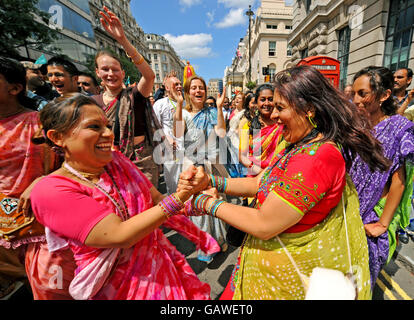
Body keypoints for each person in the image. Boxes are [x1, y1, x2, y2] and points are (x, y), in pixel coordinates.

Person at [178, 65, 391, 300]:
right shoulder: (296, 143)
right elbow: (259, 183)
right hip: (268, 273)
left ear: (309, 109)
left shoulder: (318, 157)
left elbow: (264, 223)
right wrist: (210, 181)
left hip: (289, 284)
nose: (274, 115)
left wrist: (205, 203)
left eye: (280, 107)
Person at [29, 93, 220, 300]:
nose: (108, 134)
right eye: (94, 127)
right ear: (58, 137)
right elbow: (120, 235)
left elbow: (156, 202)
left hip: (159, 269)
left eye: (107, 126)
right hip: (118, 287)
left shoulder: (118, 162)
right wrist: (183, 195)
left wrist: (199, 201)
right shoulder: (51, 190)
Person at [0, 57, 74, 300]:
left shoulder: (40, 124)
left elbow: (76, 164)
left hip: (41, 226)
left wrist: (43, 181)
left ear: (15, 88)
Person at [350, 66, 414, 288]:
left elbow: (399, 180)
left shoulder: (399, 128)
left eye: (363, 94)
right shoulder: (356, 126)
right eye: (354, 94)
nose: (356, 100)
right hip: (348, 212)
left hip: (371, 216)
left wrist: (383, 223)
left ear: (384, 95)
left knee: (359, 281)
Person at [92, 7, 160, 187]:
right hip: (106, 164)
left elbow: (149, 76)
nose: (110, 74)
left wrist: (123, 40)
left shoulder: (134, 95)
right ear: (97, 72)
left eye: (115, 70)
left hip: (140, 164)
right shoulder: (92, 103)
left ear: (123, 73)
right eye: (105, 69)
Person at [174, 75, 229, 262]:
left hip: (212, 165)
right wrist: (179, 105)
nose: (198, 91)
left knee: (215, 202)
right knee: (199, 206)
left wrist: (220, 107)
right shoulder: (184, 113)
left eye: (201, 88)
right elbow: (177, 133)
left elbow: (221, 132)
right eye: (194, 88)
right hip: (193, 166)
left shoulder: (212, 112)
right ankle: (205, 246)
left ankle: (220, 239)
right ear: (188, 92)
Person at [239, 84, 284, 178]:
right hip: (254, 176)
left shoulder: (282, 124)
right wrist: (259, 171)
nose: (266, 103)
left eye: (270, 99)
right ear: (256, 102)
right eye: (263, 99)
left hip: (277, 175)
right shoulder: (248, 126)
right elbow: (242, 156)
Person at [152, 71, 183, 194]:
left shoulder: (184, 103)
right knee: (173, 184)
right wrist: (167, 139)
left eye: (180, 84)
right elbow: (154, 126)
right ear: (167, 87)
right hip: (170, 149)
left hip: (187, 149)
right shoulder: (160, 104)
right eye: (176, 84)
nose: (179, 86)